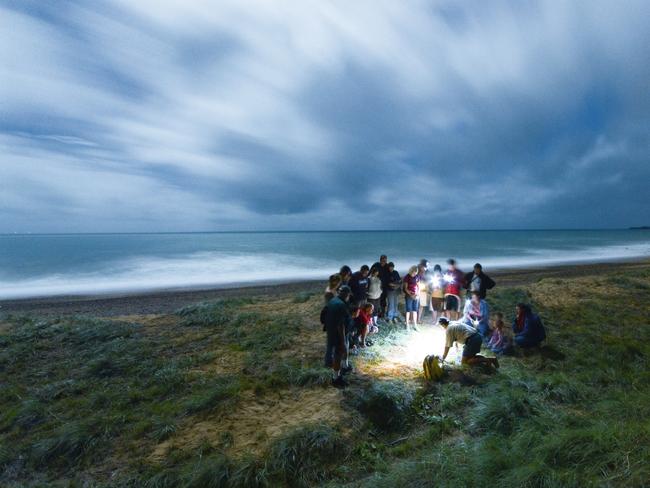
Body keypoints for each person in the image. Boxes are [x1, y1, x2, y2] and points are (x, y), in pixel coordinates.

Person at [323, 285, 354, 387]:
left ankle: (344, 367)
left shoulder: (333, 300)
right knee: (338, 354)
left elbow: (323, 314)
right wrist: (343, 340)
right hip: (338, 334)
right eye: (349, 294)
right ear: (346, 294)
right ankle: (336, 378)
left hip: (331, 331)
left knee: (339, 352)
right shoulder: (341, 305)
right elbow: (340, 325)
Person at [402, 265, 420, 330]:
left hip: (416, 295)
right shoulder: (407, 277)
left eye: (416, 273)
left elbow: (418, 286)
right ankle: (407, 324)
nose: (415, 274)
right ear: (411, 271)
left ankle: (415, 324)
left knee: (415, 310)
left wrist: (417, 294)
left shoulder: (417, 276)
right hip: (409, 295)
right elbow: (405, 288)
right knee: (408, 310)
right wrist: (411, 295)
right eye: (414, 272)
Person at [417, 260, 432, 324]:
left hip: (424, 290)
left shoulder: (427, 272)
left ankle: (419, 319)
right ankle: (413, 319)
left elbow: (429, 281)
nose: (425, 268)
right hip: (416, 290)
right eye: (424, 266)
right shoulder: (417, 271)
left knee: (422, 305)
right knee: (415, 306)